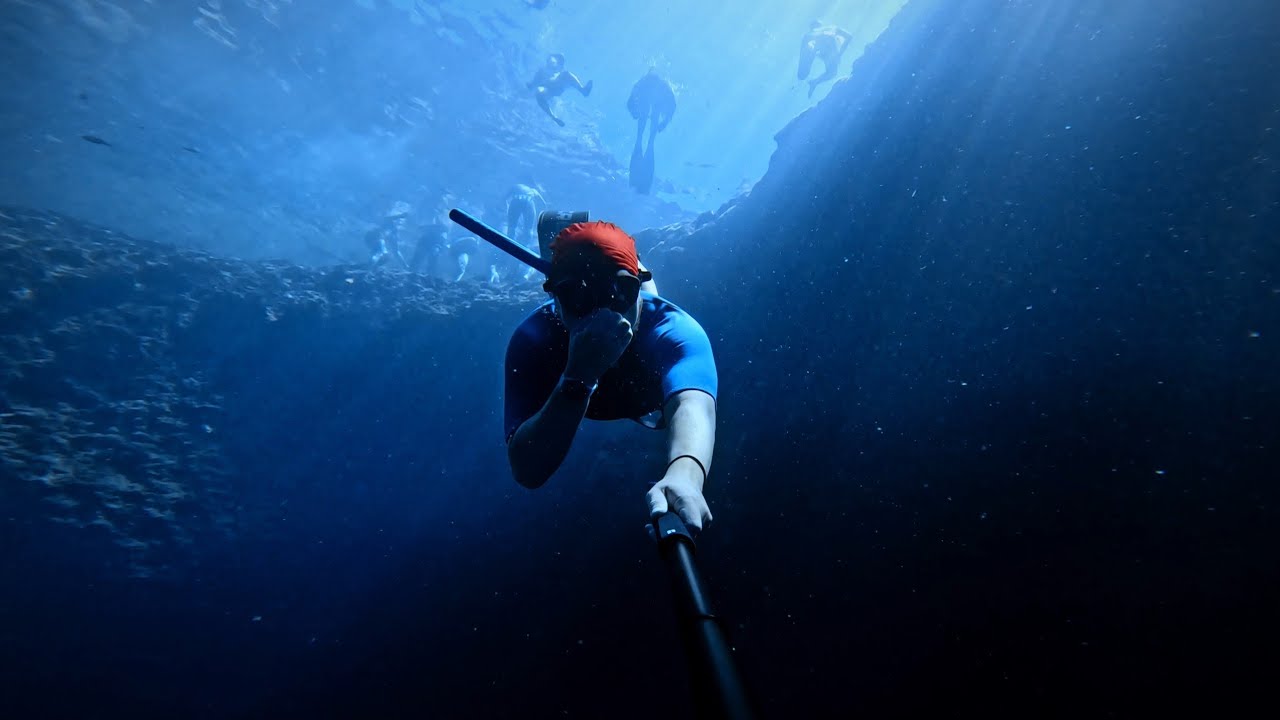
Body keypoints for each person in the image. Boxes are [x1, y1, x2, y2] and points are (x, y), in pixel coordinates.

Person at [503, 216, 718, 532]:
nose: (602, 310)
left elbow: (693, 405)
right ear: (555, 299)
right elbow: (528, 470)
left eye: (621, 291)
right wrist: (578, 378)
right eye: (578, 296)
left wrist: (685, 475)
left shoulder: (672, 329)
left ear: (637, 287)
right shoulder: (534, 339)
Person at [626, 67, 676, 194]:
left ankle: (646, 143)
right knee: (646, 115)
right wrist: (663, 123)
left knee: (649, 115)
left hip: (655, 99)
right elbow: (631, 102)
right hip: (649, 97)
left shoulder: (661, 88)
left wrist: (664, 122)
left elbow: (671, 107)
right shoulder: (644, 85)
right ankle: (646, 143)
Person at [527, 53, 593, 127]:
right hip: (548, 90)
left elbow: (563, 72)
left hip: (558, 87)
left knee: (567, 74)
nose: (551, 63)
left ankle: (583, 90)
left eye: (553, 62)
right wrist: (530, 85)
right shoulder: (541, 70)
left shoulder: (559, 70)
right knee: (539, 91)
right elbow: (534, 82)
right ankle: (553, 117)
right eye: (550, 61)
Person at [798, 21, 854, 98]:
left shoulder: (809, 34)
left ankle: (814, 82)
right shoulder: (832, 28)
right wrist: (840, 53)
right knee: (832, 73)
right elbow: (849, 36)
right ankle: (814, 82)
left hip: (824, 48)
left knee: (831, 72)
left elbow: (804, 52)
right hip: (828, 48)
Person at [507, 183, 546, 280]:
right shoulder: (533, 190)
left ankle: (509, 240)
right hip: (528, 201)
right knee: (528, 229)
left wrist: (505, 206)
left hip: (515, 201)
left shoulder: (516, 186)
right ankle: (525, 243)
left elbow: (504, 198)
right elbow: (543, 203)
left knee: (512, 227)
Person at [366, 201, 411, 267]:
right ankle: (371, 267)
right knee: (381, 253)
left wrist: (405, 266)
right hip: (372, 237)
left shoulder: (394, 232)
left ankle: (371, 267)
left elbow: (396, 252)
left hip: (376, 240)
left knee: (383, 255)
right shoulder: (389, 223)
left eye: (401, 222)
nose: (400, 222)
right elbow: (387, 218)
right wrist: (400, 216)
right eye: (398, 221)